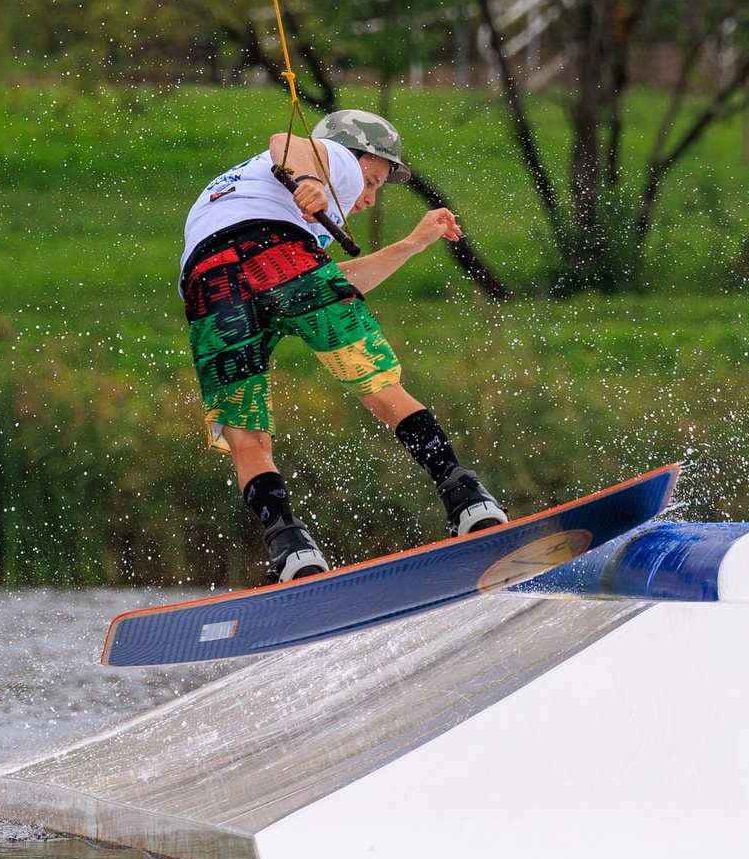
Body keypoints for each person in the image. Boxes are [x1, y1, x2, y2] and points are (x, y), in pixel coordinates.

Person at [179, 109, 508, 582]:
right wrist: (312, 178)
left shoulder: (243, 194)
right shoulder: (328, 158)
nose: (368, 198)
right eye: (372, 181)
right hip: (276, 253)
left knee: (246, 436)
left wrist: (413, 243)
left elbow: (334, 281)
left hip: (209, 289)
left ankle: (290, 548)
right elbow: (285, 138)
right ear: (352, 158)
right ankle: (467, 499)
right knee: (378, 385)